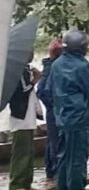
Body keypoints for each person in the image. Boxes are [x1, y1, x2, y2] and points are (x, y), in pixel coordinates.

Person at [42, 30, 89, 190]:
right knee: (77, 160)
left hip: (61, 119)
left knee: (62, 158)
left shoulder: (56, 64)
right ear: (81, 48)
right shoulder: (81, 66)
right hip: (78, 120)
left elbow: (47, 90)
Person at [9, 57, 42, 190]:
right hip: (21, 118)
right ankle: (17, 185)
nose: (32, 53)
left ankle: (27, 183)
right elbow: (21, 91)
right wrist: (35, 79)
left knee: (29, 152)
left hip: (28, 117)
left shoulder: (25, 69)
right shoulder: (16, 71)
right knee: (21, 153)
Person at [37, 38, 63, 179]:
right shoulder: (51, 68)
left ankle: (51, 171)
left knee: (52, 141)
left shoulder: (56, 66)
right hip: (55, 111)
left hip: (56, 111)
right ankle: (55, 173)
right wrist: (55, 104)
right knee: (55, 142)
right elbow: (41, 91)